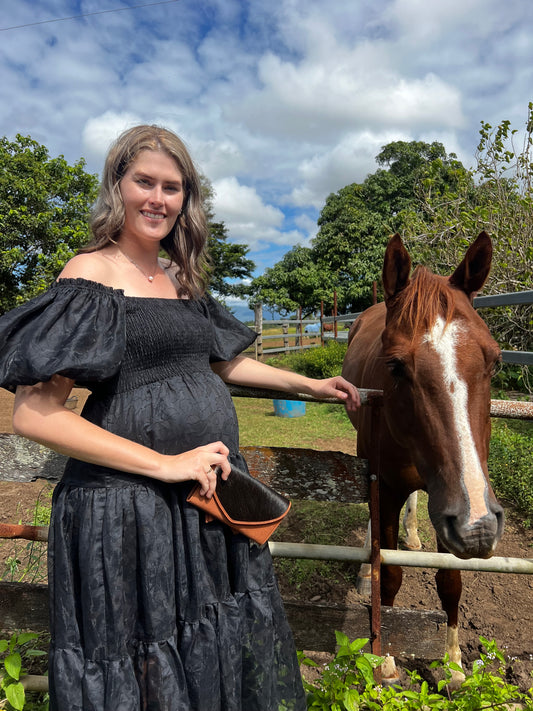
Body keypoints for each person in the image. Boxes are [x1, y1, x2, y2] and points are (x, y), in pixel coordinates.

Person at [0, 125, 360, 711]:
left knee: (205, 635)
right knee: (143, 650)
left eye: (173, 187)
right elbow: (35, 416)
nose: (158, 199)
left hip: (203, 500)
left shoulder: (180, 277)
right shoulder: (88, 275)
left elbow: (219, 363)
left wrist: (310, 384)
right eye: (144, 181)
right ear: (117, 184)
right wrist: (167, 464)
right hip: (130, 508)